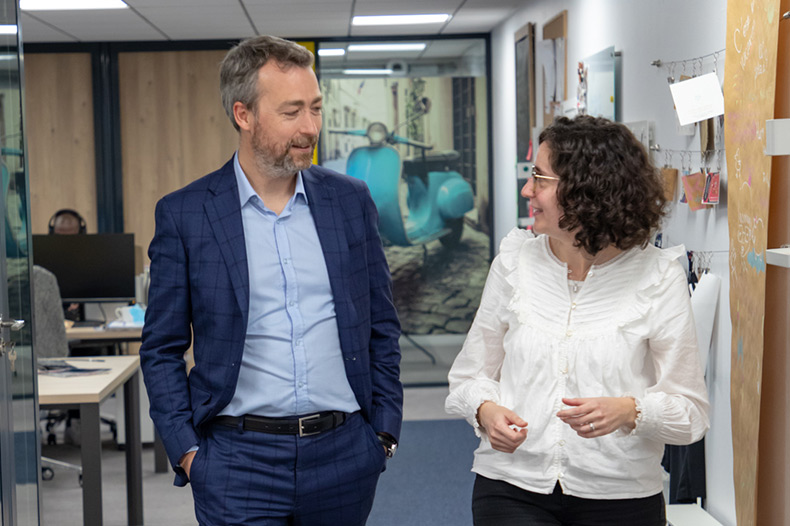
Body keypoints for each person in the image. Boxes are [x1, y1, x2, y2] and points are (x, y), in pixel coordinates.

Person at [139, 35, 402, 526]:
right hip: (236, 462)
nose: (311, 128)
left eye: (316, 109)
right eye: (292, 112)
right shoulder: (186, 215)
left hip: (345, 454)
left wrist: (383, 434)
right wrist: (188, 452)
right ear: (244, 115)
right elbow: (161, 348)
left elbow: (381, 325)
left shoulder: (350, 202)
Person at [445, 115, 709, 525]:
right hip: (511, 489)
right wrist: (485, 410)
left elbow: (691, 412)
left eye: (541, 179)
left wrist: (630, 411)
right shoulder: (514, 263)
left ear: (588, 191)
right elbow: (468, 376)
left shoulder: (658, 276)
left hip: (621, 495)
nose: (527, 190)